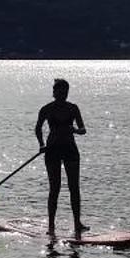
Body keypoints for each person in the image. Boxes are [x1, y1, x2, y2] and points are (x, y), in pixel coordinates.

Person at [34, 78, 86, 232]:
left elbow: (83, 129)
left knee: (74, 188)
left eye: (65, 91)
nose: (63, 94)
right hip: (52, 151)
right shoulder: (46, 109)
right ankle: (51, 225)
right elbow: (37, 128)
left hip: (70, 150)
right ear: (54, 92)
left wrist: (75, 130)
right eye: (60, 91)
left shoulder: (73, 108)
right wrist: (41, 144)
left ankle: (77, 223)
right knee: (54, 188)